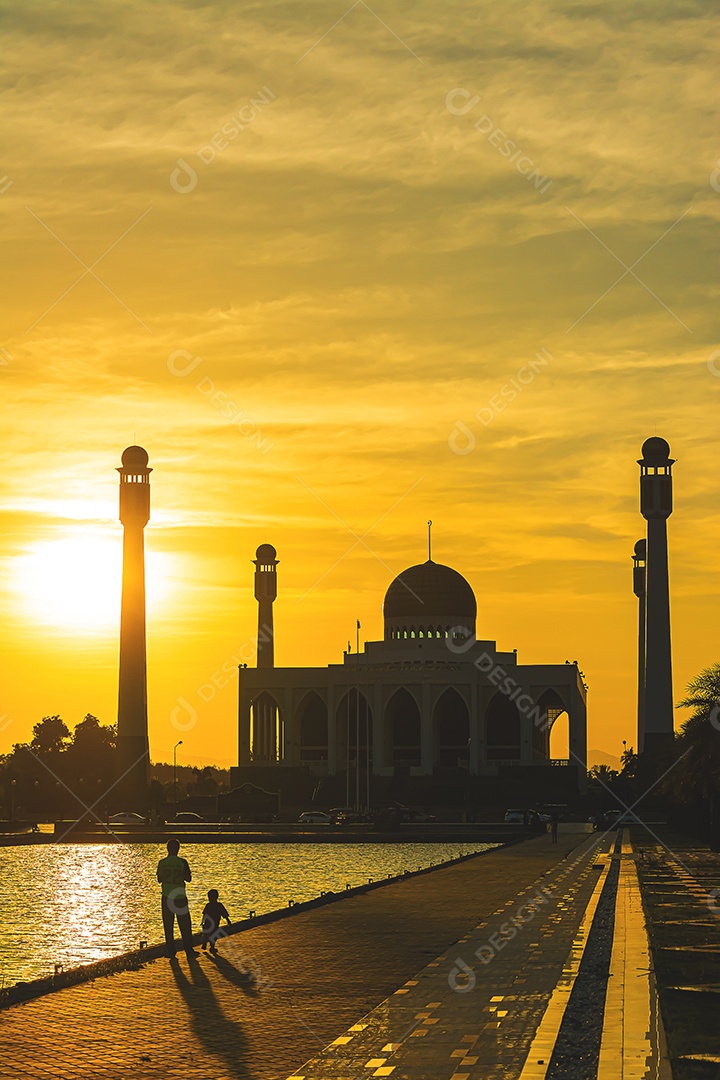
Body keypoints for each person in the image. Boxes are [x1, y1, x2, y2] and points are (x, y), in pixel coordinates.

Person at [157, 838, 195, 957]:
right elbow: (188, 879)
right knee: (184, 924)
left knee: (168, 924)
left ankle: (170, 951)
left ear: (167, 849)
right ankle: (188, 949)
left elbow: (159, 879)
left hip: (166, 896)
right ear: (178, 849)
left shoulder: (162, 862)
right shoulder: (183, 862)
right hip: (180, 896)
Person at [201, 889, 231, 954]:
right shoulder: (218, 905)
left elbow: (204, 914)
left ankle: (207, 944)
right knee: (212, 935)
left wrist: (202, 921)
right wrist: (228, 920)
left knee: (207, 934)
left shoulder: (209, 905)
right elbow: (224, 914)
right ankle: (209, 946)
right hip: (212, 923)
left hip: (210, 923)